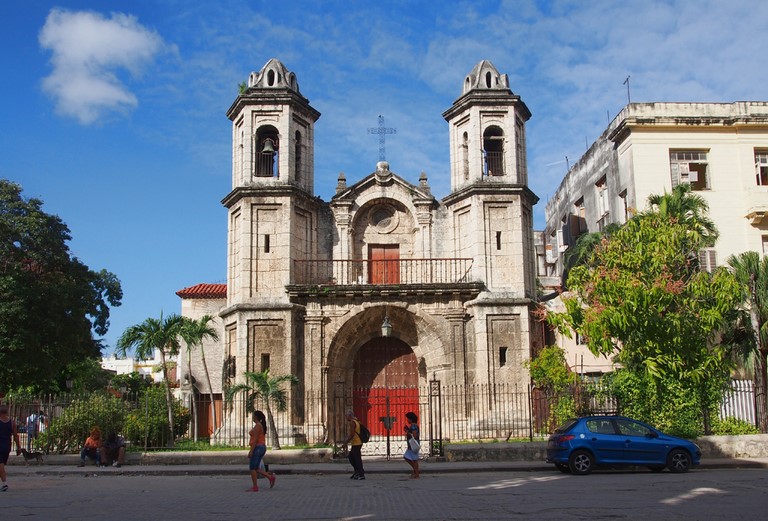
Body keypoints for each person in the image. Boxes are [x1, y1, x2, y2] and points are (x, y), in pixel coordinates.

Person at [247, 410, 276, 492]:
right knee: (256, 467)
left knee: (252, 467)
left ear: (256, 417)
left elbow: (255, 440)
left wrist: (251, 451)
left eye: (253, 416)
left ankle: (255, 486)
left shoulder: (257, 426)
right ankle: (270, 477)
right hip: (261, 447)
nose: (252, 417)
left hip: (258, 448)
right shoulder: (260, 426)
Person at [0, 404, 22, 492]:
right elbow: (16, 436)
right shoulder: (12, 422)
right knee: (1, 464)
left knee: (1, 465)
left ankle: (5, 483)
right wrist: (18, 447)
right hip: (7, 446)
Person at [344, 409, 365, 480]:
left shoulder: (352, 422)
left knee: (356, 459)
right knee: (352, 457)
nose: (345, 417)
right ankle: (357, 471)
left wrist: (346, 442)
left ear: (349, 416)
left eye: (346, 416)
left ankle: (361, 473)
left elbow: (352, 434)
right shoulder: (357, 421)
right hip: (357, 442)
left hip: (356, 442)